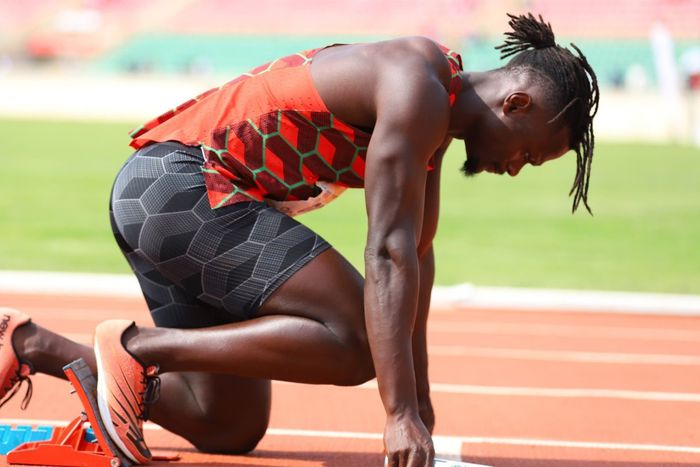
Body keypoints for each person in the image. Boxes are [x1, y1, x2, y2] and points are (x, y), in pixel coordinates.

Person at [0, 13, 598, 467]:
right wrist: (398, 413)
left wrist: (419, 403)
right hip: (178, 188)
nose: (515, 168)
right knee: (361, 339)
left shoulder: (434, 117)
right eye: (528, 154)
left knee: (225, 424)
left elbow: (417, 253)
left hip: (167, 200)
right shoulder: (416, 83)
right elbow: (387, 252)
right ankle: (138, 348)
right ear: (516, 103)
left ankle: (30, 344)